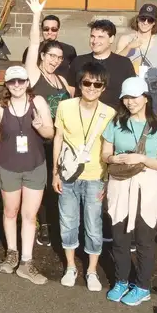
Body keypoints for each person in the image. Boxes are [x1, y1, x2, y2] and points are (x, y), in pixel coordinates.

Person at [101, 76, 157, 306]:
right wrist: (115, 158)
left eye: (134, 97)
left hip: (147, 186)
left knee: (144, 240)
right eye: (126, 98)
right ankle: (122, 280)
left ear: (145, 98)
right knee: (119, 237)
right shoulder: (116, 122)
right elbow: (105, 154)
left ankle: (142, 285)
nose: (130, 102)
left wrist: (140, 158)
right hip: (120, 184)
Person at [52, 60, 116, 291]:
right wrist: (55, 173)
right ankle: (70, 266)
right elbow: (58, 138)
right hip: (68, 174)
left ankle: (91, 270)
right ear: (79, 84)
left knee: (93, 225)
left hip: (95, 175)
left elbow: (112, 147)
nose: (91, 88)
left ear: (103, 88)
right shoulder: (65, 107)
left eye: (97, 85)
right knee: (68, 222)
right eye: (87, 83)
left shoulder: (109, 113)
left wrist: (108, 180)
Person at [0, 66, 54, 284]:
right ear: (6, 84)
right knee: (10, 211)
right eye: (12, 82)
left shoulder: (38, 103)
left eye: (21, 81)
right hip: (8, 167)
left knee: (29, 215)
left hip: (35, 166)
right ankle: (12, 253)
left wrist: (40, 126)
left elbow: (50, 133)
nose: (17, 85)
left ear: (27, 82)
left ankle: (26, 261)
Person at [23, 0, 72, 248]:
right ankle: (41, 225)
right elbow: (33, 43)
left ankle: (56, 224)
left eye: (59, 57)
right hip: (38, 139)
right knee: (39, 185)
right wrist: (35, 16)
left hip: (60, 141)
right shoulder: (34, 75)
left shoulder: (61, 80)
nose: (54, 60)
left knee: (58, 184)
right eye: (51, 56)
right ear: (43, 56)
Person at [70, 19, 135, 110]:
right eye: (92, 36)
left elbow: (131, 93)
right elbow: (71, 90)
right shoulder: (78, 61)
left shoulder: (124, 63)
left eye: (100, 37)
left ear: (111, 39)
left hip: (115, 118)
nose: (95, 41)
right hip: (83, 115)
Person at [116, 3, 157, 102]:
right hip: (129, 88)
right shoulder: (126, 39)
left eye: (150, 20)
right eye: (143, 18)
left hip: (150, 90)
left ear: (154, 23)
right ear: (137, 19)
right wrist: (129, 47)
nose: (145, 22)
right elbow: (114, 61)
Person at [19, 12, 76, 80]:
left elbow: (73, 75)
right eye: (46, 29)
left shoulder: (69, 50)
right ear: (41, 30)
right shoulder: (31, 50)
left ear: (58, 31)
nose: (50, 32)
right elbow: (24, 73)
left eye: (54, 29)